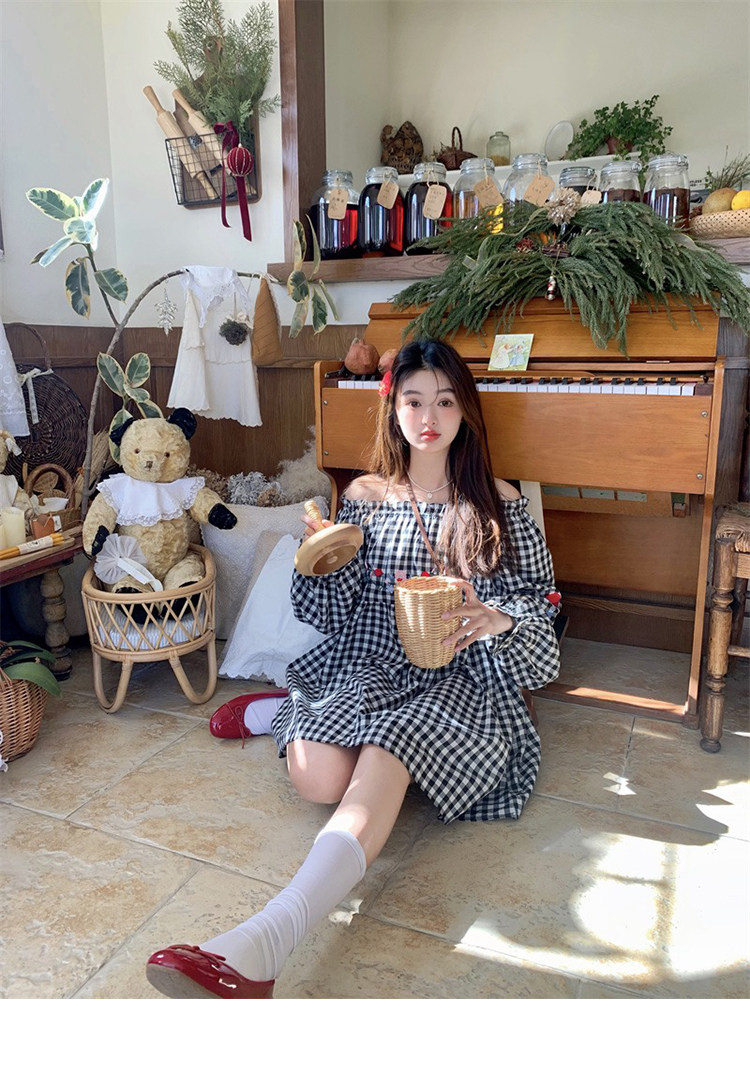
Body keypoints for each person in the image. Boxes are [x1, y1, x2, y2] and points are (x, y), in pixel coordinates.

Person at [146, 338, 561, 999]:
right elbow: (329, 614)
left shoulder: (499, 504)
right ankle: (278, 710)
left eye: (445, 401)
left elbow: (539, 608)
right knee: (317, 780)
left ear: (465, 409)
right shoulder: (364, 496)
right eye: (414, 401)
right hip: (367, 663)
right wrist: (321, 559)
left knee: (388, 741)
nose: (429, 417)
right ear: (393, 408)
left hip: (458, 677)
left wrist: (499, 619)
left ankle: (266, 941)